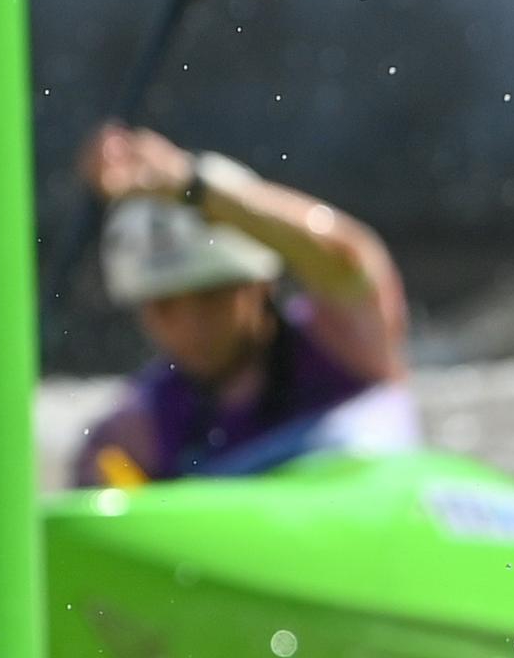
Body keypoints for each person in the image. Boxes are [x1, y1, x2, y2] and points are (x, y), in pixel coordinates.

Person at [72, 124, 417, 489]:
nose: (192, 324)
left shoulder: (342, 344)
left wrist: (192, 186)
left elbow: (347, 259)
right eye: (165, 305)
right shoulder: (139, 428)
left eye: (211, 295)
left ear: (261, 284)